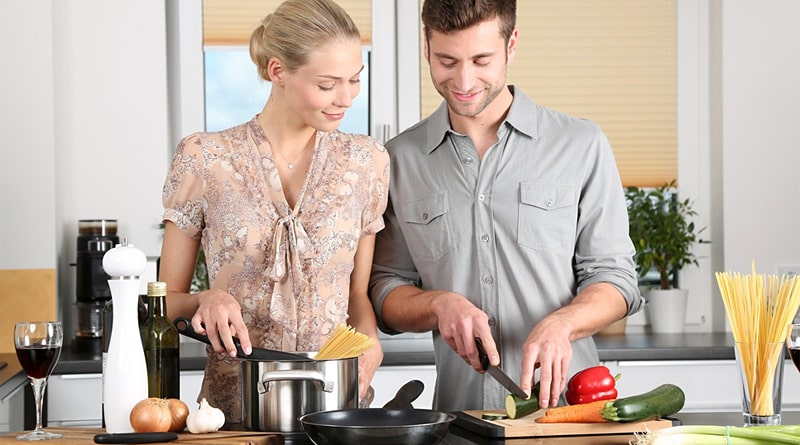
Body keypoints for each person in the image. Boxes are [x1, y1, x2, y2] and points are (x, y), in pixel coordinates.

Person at [369, 0, 643, 412]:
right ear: (426, 47)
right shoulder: (401, 159)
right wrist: (439, 304)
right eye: (447, 60)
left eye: (482, 60)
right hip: (461, 421)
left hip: (571, 416)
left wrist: (563, 323)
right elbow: (384, 288)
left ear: (511, 45)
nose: (464, 80)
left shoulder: (580, 144)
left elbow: (616, 279)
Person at [159, 0, 389, 423]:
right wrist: (206, 299)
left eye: (355, 80)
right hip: (232, 414)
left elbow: (357, 296)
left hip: (336, 409)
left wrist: (370, 342)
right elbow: (161, 304)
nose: (347, 98)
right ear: (277, 70)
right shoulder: (205, 157)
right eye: (327, 84)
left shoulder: (367, 162)